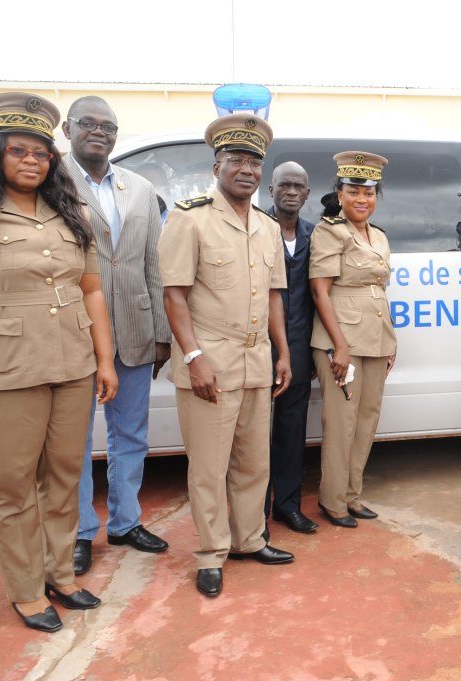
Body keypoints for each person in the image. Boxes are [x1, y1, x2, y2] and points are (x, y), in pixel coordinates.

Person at [0, 92, 119, 632]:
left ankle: (60, 573)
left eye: (41, 152)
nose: (32, 161)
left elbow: (92, 291)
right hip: (5, 372)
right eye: (18, 151)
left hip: (72, 367)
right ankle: (26, 590)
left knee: (64, 475)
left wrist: (104, 360)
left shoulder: (70, 211)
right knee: (10, 485)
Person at [158, 113, 295, 598]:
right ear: (216, 165)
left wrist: (282, 353)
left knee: (253, 463)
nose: (246, 169)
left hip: (257, 360)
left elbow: (276, 296)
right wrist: (193, 355)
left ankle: (249, 540)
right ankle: (212, 554)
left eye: (254, 162)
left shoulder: (265, 225)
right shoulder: (189, 217)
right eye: (236, 159)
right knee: (209, 468)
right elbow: (174, 295)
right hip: (209, 363)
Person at [63, 96, 171, 576]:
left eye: (108, 126)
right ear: (68, 130)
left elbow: (152, 262)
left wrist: (162, 332)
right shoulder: (50, 181)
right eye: (88, 123)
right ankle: (81, 531)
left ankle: (126, 521)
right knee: (74, 439)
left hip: (134, 328)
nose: (99, 132)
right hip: (72, 333)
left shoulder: (141, 188)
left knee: (131, 433)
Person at [309, 151, 396, 528]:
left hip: (376, 340)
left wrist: (390, 341)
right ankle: (332, 500)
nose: (363, 199)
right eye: (354, 191)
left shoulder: (377, 235)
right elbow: (319, 291)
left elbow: (379, 291)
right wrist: (339, 345)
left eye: (370, 192)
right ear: (340, 194)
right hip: (340, 341)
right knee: (342, 422)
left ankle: (352, 494)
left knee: (366, 420)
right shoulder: (330, 230)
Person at [264, 161, 319, 533]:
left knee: (291, 431)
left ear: (308, 194)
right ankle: (253, 516)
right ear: (271, 191)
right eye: (285, 185)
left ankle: (287, 505)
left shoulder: (316, 235)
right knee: (249, 439)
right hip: (253, 346)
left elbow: (319, 295)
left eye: (299, 186)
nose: (292, 192)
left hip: (297, 348)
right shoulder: (253, 228)